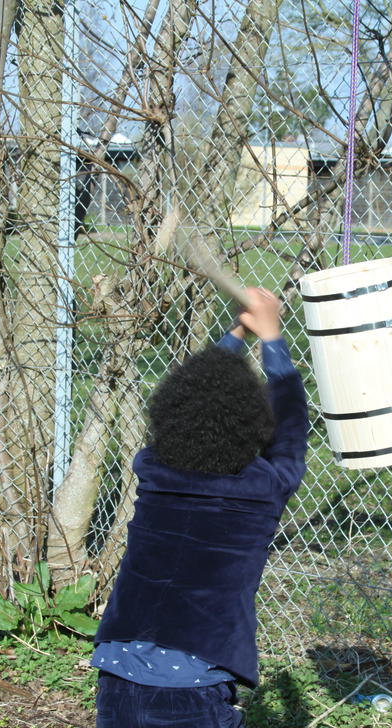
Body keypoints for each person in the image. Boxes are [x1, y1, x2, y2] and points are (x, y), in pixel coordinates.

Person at [92, 287, 309, 728]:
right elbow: (290, 432)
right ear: (254, 425)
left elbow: (195, 397)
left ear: (172, 414)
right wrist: (272, 340)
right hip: (191, 689)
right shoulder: (262, 490)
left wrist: (235, 337)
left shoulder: (154, 471)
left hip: (117, 675)